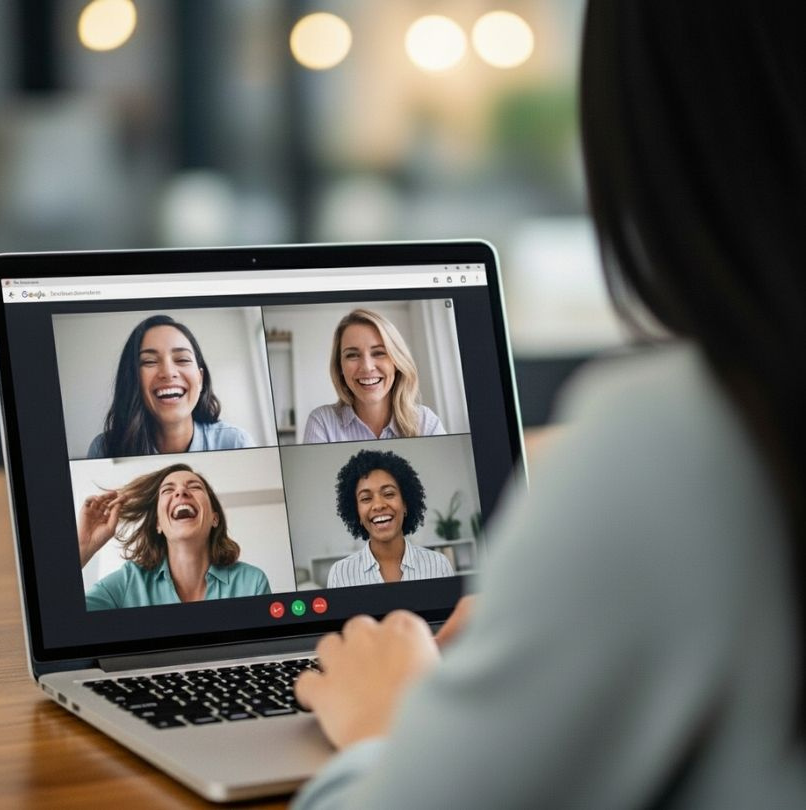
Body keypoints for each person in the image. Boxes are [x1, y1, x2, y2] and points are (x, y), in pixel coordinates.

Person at [292, 2, 806, 807]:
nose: (380, 500)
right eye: (368, 495)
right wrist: (557, 610)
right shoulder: (323, 429)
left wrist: (389, 721)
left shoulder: (666, 439)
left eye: (387, 489)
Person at [79, 463, 270, 610]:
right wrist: (82, 548)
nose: (181, 491)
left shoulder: (252, 582)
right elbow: (63, 624)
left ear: (214, 518)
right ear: (158, 524)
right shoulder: (127, 582)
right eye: (168, 490)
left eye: (195, 486)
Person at [87, 314, 254, 458]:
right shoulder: (103, 449)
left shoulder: (236, 442)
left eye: (182, 359)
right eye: (150, 361)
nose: (168, 372)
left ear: (200, 379)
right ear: (132, 379)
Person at [302, 309, 446, 443]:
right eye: (352, 355)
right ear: (340, 367)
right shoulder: (322, 422)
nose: (367, 367)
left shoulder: (425, 421)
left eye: (379, 353)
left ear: (396, 362)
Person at [326, 449, 455, 588]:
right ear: (356, 512)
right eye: (366, 498)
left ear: (405, 504)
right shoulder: (340, 574)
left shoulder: (438, 565)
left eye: (388, 494)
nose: (379, 505)